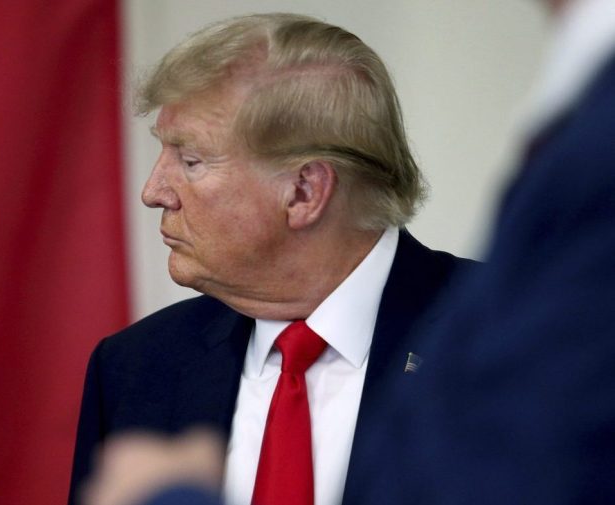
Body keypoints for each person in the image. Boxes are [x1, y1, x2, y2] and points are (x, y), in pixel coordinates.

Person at [80, 1, 615, 505]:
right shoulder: (133, 368)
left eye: (191, 160)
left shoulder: (507, 334)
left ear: (305, 192)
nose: (154, 191)